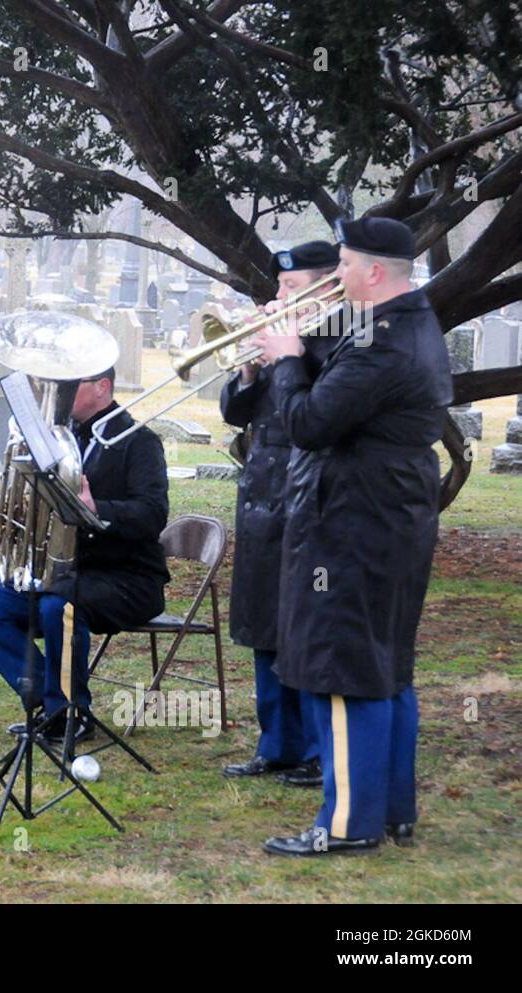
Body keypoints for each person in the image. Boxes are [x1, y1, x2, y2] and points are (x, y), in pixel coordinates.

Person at [256, 217, 452, 856]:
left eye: (342, 265)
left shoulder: (384, 342)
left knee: (343, 667)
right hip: (390, 515)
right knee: (385, 666)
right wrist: (300, 340)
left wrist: (284, 361)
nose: (335, 276)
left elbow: (310, 422)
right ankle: (392, 810)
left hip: (355, 522)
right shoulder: (407, 321)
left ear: (372, 271)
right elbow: (343, 380)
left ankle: (346, 825)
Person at [0, 367, 170, 744]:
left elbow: (152, 515)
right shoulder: (56, 438)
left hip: (126, 579)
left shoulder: (140, 442)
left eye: (74, 384)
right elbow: (34, 498)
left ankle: (72, 713)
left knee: (59, 608)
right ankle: (46, 699)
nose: (62, 392)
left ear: (103, 387)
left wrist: (96, 507)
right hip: (63, 577)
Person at [220, 242, 337, 787]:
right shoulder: (278, 341)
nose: (280, 297)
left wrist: (289, 355)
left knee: (306, 628)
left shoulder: (338, 343)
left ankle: (317, 748)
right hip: (263, 496)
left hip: (310, 497)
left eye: (293, 288)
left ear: (328, 286)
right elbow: (235, 413)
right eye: (280, 288)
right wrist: (247, 370)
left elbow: (315, 418)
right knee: (264, 624)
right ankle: (278, 744)